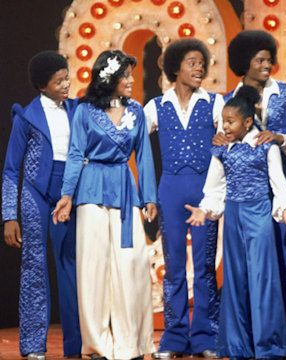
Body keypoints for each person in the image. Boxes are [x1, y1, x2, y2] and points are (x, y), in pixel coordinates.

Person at [52, 49, 158, 360]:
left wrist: (148, 196)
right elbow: (75, 154)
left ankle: (131, 344)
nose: (131, 79)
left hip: (124, 191)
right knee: (93, 269)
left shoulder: (137, 112)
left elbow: (145, 157)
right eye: (125, 75)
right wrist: (67, 195)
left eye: (130, 74)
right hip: (91, 190)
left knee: (131, 266)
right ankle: (96, 345)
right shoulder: (85, 111)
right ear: (109, 78)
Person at [186, 85, 286, 360]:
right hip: (234, 217)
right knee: (236, 279)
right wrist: (205, 210)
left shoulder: (265, 145)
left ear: (247, 121)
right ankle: (239, 346)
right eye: (222, 121)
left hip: (259, 215)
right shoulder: (222, 149)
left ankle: (269, 345)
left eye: (230, 121)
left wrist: (285, 208)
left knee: (262, 278)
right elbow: (215, 189)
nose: (224, 127)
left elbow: (278, 183)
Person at [214, 29, 286, 357]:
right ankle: (249, 339)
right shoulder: (231, 100)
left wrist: (280, 139)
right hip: (244, 191)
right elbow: (222, 146)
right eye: (260, 60)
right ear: (245, 63)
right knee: (245, 269)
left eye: (270, 58)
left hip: (281, 183)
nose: (268, 64)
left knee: (285, 262)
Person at [143, 38, 223, 360]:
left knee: (205, 266)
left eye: (201, 63)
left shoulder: (215, 103)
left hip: (204, 193)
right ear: (176, 68)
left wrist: (224, 139)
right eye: (192, 63)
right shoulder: (156, 106)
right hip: (171, 191)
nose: (199, 68)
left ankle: (205, 337)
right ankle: (174, 337)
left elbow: (233, 136)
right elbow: (134, 143)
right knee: (174, 266)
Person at [2, 51, 82, 360]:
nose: (66, 85)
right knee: (34, 268)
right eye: (59, 81)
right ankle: (34, 345)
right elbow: (11, 169)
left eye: (67, 78)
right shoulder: (26, 116)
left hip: (67, 195)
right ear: (42, 85)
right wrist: (9, 215)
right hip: (35, 196)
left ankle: (75, 345)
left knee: (70, 266)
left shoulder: (76, 110)